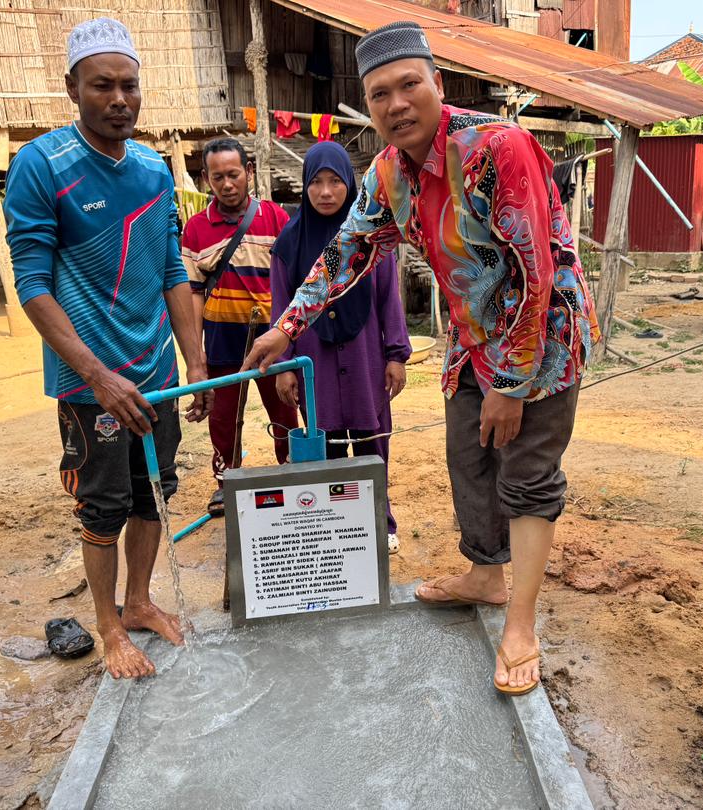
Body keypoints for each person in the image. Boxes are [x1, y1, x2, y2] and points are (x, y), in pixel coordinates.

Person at [244, 22, 600, 696]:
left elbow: (536, 270)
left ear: (437, 84)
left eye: (410, 85)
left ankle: (520, 622)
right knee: (468, 460)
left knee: (524, 474)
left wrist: (514, 383)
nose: (396, 103)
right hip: (471, 340)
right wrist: (288, 328)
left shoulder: (498, 148)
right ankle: (486, 577)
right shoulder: (386, 172)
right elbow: (345, 253)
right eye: (380, 94)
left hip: (542, 340)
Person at [3, 17, 212, 680]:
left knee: (156, 491)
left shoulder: (153, 171)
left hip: (155, 371)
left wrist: (197, 361)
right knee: (103, 503)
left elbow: (174, 273)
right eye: (102, 86)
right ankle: (108, 622)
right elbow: (33, 283)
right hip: (88, 381)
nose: (119, 98)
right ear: (73, 88)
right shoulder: (42, 166)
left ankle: (141, 600)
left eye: (129, 85)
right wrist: (97, 376)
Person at [270, 141, 410, 553]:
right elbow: (282, 308)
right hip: (314, 361)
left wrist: (396, 355)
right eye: (316, 182)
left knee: (373, 442)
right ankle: (334, 528)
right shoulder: (289, 243)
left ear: (350, 184)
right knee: (325, 444)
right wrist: (285, 366)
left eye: (335, 182)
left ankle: (378, 523)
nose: (326, 192)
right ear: (304, 186)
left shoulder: (370, 237)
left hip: (366, 356)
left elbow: (389, 299)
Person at [182, 138, 298, 517]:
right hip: (221, 341)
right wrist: (196, 351)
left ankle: (291, 474)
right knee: (223, 417)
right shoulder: (196, 230)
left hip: (272, 340)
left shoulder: (277, 218)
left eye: (234, 174)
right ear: (206, 180)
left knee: (283, 409)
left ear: (248, 172)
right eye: (218, 177)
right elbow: (194, 293)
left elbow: (293, 280)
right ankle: (227, 481)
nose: (228, 184)